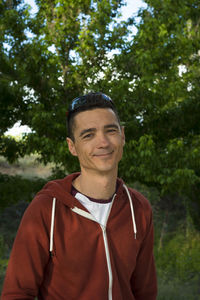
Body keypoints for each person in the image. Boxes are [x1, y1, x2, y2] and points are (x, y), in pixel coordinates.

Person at [2, 92, 157, 300]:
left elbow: (145, 292)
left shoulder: (138, 207)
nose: (103, 142)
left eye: (110, 131)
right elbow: (17, 294)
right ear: (72, 146)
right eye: (88, 135)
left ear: (122, 135)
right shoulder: (46, 209)